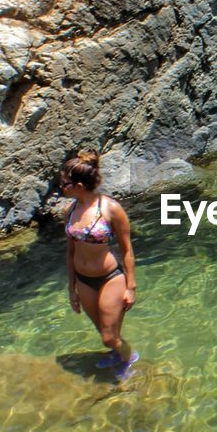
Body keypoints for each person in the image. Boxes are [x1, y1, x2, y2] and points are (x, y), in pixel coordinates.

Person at [60, 149, 138, 375]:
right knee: (103, 330)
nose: (61, 187)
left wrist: (131, 287)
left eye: (65, 184)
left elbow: (127, 250)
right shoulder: (69, 211)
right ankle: (116, 354)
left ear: (79, 186)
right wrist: (71, 288)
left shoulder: (111, 209)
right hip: (84, 281)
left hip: (110, 278)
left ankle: (128, 358)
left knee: (108, 336)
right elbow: (70, 251)